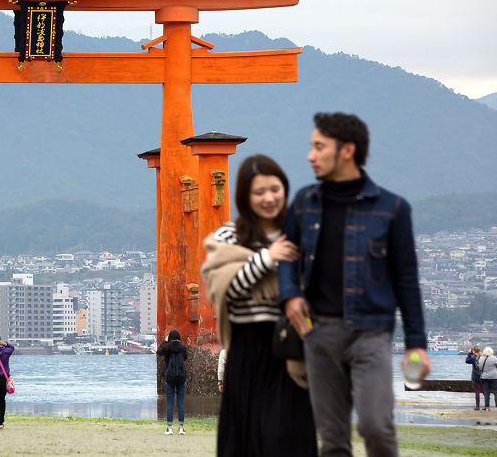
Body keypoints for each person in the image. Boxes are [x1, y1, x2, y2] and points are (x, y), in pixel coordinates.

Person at [280, 112, 429, 456]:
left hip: (371, 334)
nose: (310, 156)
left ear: (347, 150)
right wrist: (289, 296)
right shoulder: (304, 203)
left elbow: (407, 278)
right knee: (332, 440)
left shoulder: (392, 209)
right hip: (319, 333)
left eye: (319, 147)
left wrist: (417, 344)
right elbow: (287, 257)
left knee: (376, 425)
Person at [202, 154, 317, 456]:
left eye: (274, 189)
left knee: (289, 439)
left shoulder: (301, 234)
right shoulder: (229, 237)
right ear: (244, 195)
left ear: (285, 188)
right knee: (244, 441)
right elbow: (225, 292)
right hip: (246, 352)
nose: (269, 198)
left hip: (291, 351)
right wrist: (268, 258)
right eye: (259, 192)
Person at [157, 329, 187, 435]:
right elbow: (185, 358)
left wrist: (165, 341)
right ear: (179, 337)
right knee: (180, 403)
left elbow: (158, 351)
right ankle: (181, 428)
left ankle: (169, 428)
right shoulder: (183, 348)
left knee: (169, 402)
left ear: (169, 338)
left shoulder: (167, 347)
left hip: (169, 377)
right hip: (181, 378)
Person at [479, 347, 497, 412]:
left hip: (484, 377)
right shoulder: (494, 358)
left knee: (486, 392)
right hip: (494, 377)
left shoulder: (481, 358)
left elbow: (480, 368)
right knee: (496, 392)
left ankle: (487, 407)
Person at [466, 346, 484, 410]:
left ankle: (477, 406)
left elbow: (467, 361)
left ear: (474, 351)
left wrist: (469, 354)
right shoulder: (482, 357)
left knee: (477, 392)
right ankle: (487, 405)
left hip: (475, 376)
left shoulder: (473, 358)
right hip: (482, 376)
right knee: (484, 391)